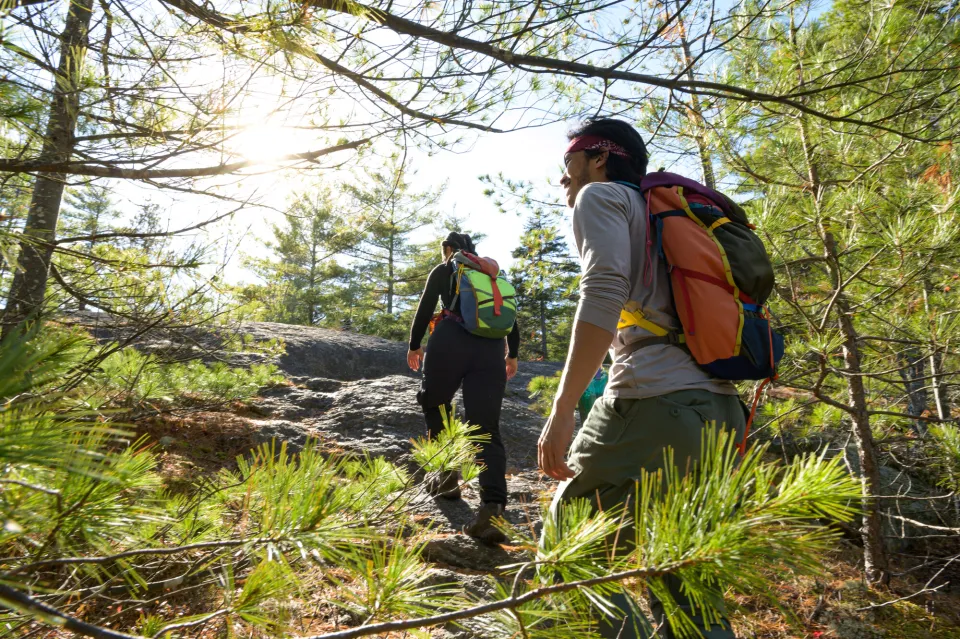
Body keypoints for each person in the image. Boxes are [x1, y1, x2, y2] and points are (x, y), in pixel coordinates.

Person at [537, 118, 745, 638]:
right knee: (685, 575)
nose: (564, 179)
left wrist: (562, 412)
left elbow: (603, 292)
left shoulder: (601, 197)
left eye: (568, 164)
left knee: (568, 554)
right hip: (719, 412)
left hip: (652, 400)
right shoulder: (667, 217)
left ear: (599, 158)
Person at [407, 232, 520, 543]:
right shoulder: (491, 275)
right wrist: (513, 354)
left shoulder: (445, 270)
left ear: (448, 249)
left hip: (449, 342)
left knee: (435, 404)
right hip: (491, 350)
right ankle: (493, 508)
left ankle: (445, 478)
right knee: (486, 428)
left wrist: (415, 345)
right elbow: (510, 317)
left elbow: (426, 305)